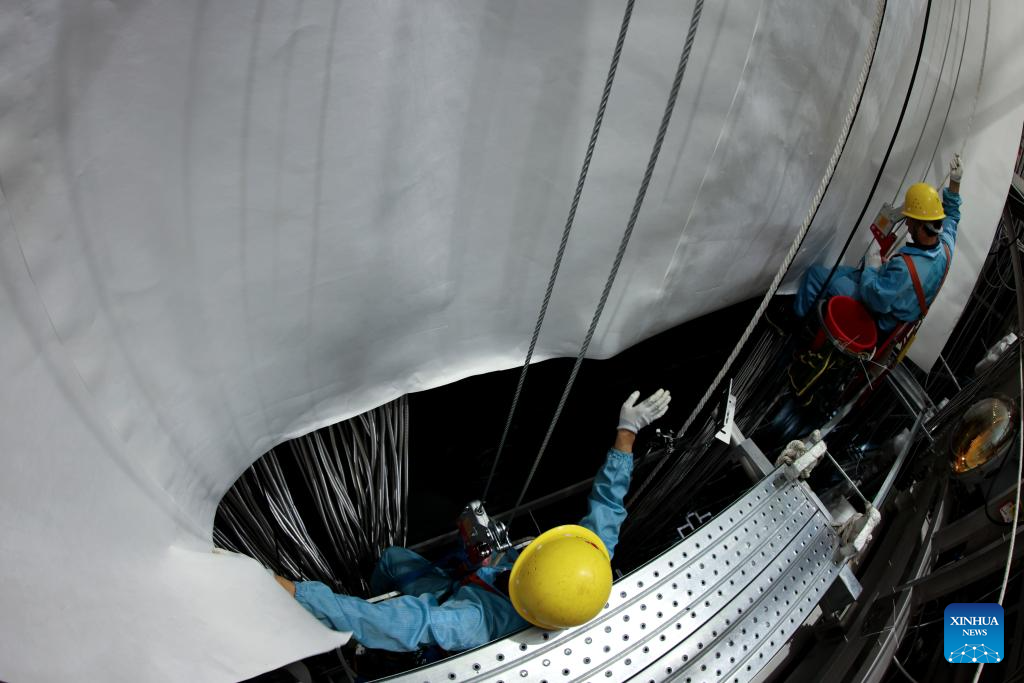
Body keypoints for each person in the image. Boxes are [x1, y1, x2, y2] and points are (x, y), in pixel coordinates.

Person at [272, 388, 671, 652]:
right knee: (394, 559)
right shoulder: (584, 565)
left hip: (452, 591)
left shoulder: (472, 621)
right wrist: (626, 434)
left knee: (392, 560)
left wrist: (302, 595)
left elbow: (401, 623)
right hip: (474, 577)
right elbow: (608, 505)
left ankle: (354, 600)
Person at [792, 154, 963, 333]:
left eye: (910, 220)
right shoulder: (945, 247)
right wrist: (955, 182)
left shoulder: (905, 269)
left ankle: (797, 329)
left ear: (921, 226)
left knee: (816, 276)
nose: (906, 224)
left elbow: (874, 298)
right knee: (845, 273)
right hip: (894, 297)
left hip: (876, 316)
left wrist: (872, 269)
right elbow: (952, 216)